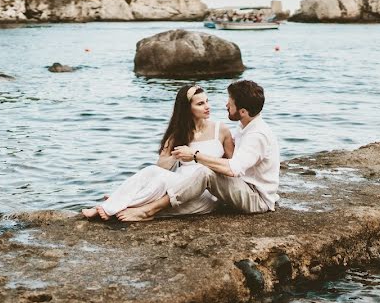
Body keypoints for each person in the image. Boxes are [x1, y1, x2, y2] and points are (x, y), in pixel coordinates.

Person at [116, 80, 279, 222]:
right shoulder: (244, 126)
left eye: (230, 103)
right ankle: (126, 201)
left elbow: (232, 168)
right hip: (242, 188)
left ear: (242, 111)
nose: (226, 105)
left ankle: (149, 210)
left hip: (257, 198)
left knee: (205, 172)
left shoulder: (257, 135)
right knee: (155, 172)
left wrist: (195, 156)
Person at [82, 84, 234, 220]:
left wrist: (197, 157)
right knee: (152, 171)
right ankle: (119, 202)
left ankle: (113, 204)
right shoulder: (179, 133)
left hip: (203, 191)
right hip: (175, 188)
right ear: (187, 108)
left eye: (207, 101)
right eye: (200, 104)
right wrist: (176, 154)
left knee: (159, 180)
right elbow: (161, 167)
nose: (207, 106)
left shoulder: (221, 130)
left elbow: (234, 166)